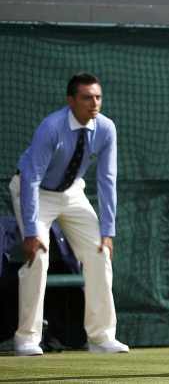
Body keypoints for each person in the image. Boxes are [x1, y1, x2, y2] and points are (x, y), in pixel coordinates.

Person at [9, 73, 129, 356]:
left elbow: (107, 180)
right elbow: (32, 178)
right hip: (34, 191)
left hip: (73, 192)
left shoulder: (106, 128)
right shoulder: (51, 127)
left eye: (98, 97)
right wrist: (30, 231)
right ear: (71, 100)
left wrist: (107, 232)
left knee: (100, 253)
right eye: (87, 97)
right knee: (38, 256)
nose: (94, 103)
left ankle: (101, 337)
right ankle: (26, 339)